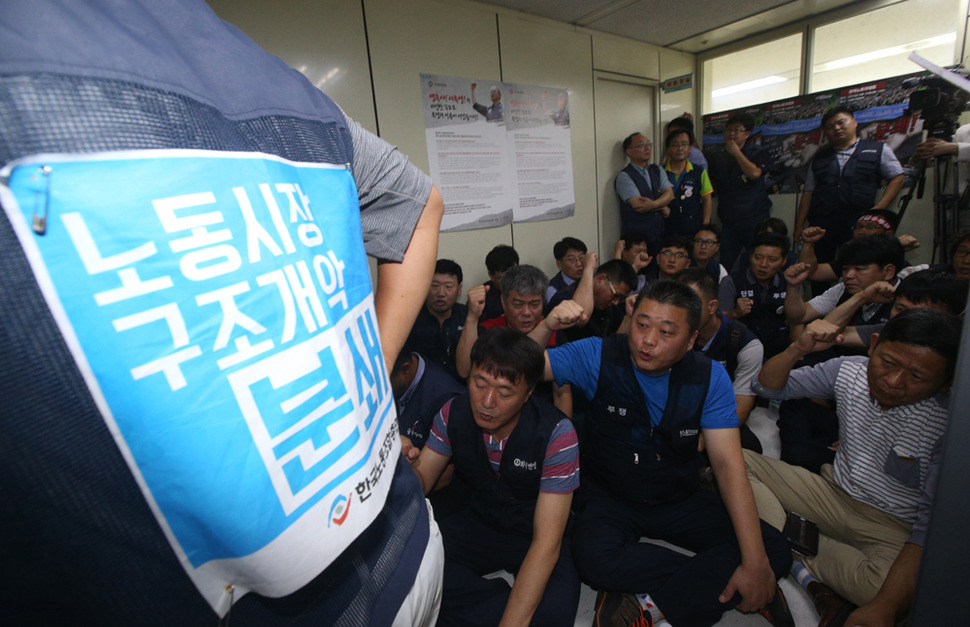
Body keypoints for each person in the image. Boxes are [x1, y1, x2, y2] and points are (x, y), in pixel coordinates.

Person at [0, 1, 444, 625]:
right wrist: (361, 374)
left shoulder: (24, 70)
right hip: (404, 545)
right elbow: (420, 202)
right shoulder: (284, 89)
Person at [542, 280, 793, 627]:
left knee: (773, 549)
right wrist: (546, 327)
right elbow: (514, 369)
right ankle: (720, 583)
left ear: (691, 340)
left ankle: (648, 607)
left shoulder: (710, 377)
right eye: (642, 325)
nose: (647, 340)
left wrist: (754, 562)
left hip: (678, 494)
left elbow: (727, 465)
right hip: (611, 495)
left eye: (666, 332)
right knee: (593, 560)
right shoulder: (596, 354)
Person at [744, 309, 961, 623]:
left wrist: (885, 606)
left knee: (887, 594)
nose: (893, 381)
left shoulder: (950, 424)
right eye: (887, 362)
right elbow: (767, 387)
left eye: (916, 377)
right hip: (832, 490)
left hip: (892, 524)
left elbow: (928, 527)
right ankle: (801, 551)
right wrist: (798, 349)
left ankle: (787, 545)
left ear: (946, 383)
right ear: (873, 345)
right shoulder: (847, 371)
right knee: (734, 463)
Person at [410, 327, 581, 626]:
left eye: (504, 392)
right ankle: (498, 600)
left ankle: (494, 609)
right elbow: (422, 480)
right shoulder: (453, 412)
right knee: (414, 571)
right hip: (482, 521)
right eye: (479, 383)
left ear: (528, 393)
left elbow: (546, 541)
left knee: (553, 617)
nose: (487, 402)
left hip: (534, 533)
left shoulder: (557, 433)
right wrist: (394, 463)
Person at [793, 106, 905, 265]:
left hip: (858, 220)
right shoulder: (819, 158)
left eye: (841, 122)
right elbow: (808, 192)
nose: (836, 128)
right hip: (823, 221)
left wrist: (878, 209)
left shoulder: (877, 149)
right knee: (819, 264)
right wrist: (799, 226)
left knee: (859, 262)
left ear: (854, 122)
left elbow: (897, 178)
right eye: (830, 127)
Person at [458, 264, 573, 416]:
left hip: (541, 417)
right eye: (518, 304)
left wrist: (563, 433)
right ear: (503, 302)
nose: (526, 312)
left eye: (534, 304)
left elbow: (562, 394)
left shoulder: (554, 333)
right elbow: (464, 370)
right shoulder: (490, 331)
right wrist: (472, 317)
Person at [678, 268, 765, 453]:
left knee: (748, 446)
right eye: (678, 304)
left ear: (712, 306)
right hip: (676, 411)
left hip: (717, 417)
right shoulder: (671, 331)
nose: (683, 313)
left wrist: (702, 438)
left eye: (692, 305)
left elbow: (741, 409)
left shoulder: (746, 344)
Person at [706, 113, 773, 270]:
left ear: (747, 134)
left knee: (758, 261)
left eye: (737, 130)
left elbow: (755, 174)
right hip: (729, 220)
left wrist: (737, 152)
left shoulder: (758, 152)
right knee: (726, 263)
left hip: (755, 218)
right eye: (729, 130)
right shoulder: (718, 155)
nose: (731, 134)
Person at [727, 232, 792, 360]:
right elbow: (717, 320)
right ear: (750, 256)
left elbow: (797, 321)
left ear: (784, 261)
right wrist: (735, 313)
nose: (763, 264)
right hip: (741, 349)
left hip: (779, 350)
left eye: (772, 259)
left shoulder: (790, 283)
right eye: (758, 257)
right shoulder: (732, 281)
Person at [391, 346, 466, 451]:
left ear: (406, 370)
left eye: (384, 380)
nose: (378, 388)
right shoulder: (398, 376)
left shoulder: (445, 400)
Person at [406, 259, 468, 381]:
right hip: (423, 388)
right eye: (434, 286)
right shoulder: (410, 318)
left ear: (459, 290)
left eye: (448, 287)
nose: (441, 293)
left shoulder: (467, 316)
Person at [548, 258, 637, 342]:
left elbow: (616, 345)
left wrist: (628, 317)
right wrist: (589, 267)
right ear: (600, 279)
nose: (616, 302)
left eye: (621, 299)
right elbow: (581, 318)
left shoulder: (610, 306)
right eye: (616, 295)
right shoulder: (563, 300)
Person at [615, 132, 675, 255]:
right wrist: (662, 205)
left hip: (660, 233)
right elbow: (639, 205)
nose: (647, 148)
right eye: (641, 145)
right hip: (637, 238)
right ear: (629, 151)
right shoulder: (624, 176)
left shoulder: (657, 169)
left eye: (649, 144)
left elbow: (670, 194)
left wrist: (654, 204)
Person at [663, 127, 713, 238]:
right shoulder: (660, 172)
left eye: (684, 144)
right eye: (675, 144)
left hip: (692, 227)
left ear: (690, 148)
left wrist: (705, 225)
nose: (680, 148)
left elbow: (707, 199)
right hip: (666, 227)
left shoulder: (699, 171)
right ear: (668, 149)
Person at [691, 223, 737, 311]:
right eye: (699, 241)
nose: (703, 246)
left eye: (709, 242)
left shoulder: (720, 270)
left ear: (717, 247)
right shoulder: (684, 264)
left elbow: (724, 302)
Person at [481, 244, 518, 322]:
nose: (509, 282)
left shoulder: (530, 288)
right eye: (502, 278)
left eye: (513, 275)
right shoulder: (483, 297)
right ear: (491, 275)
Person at [545, 236, 587, 305]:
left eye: (581, 258)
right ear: (559, 264)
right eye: (571, 259)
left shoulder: (591, 280)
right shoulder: (552, 289)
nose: (579, 264)